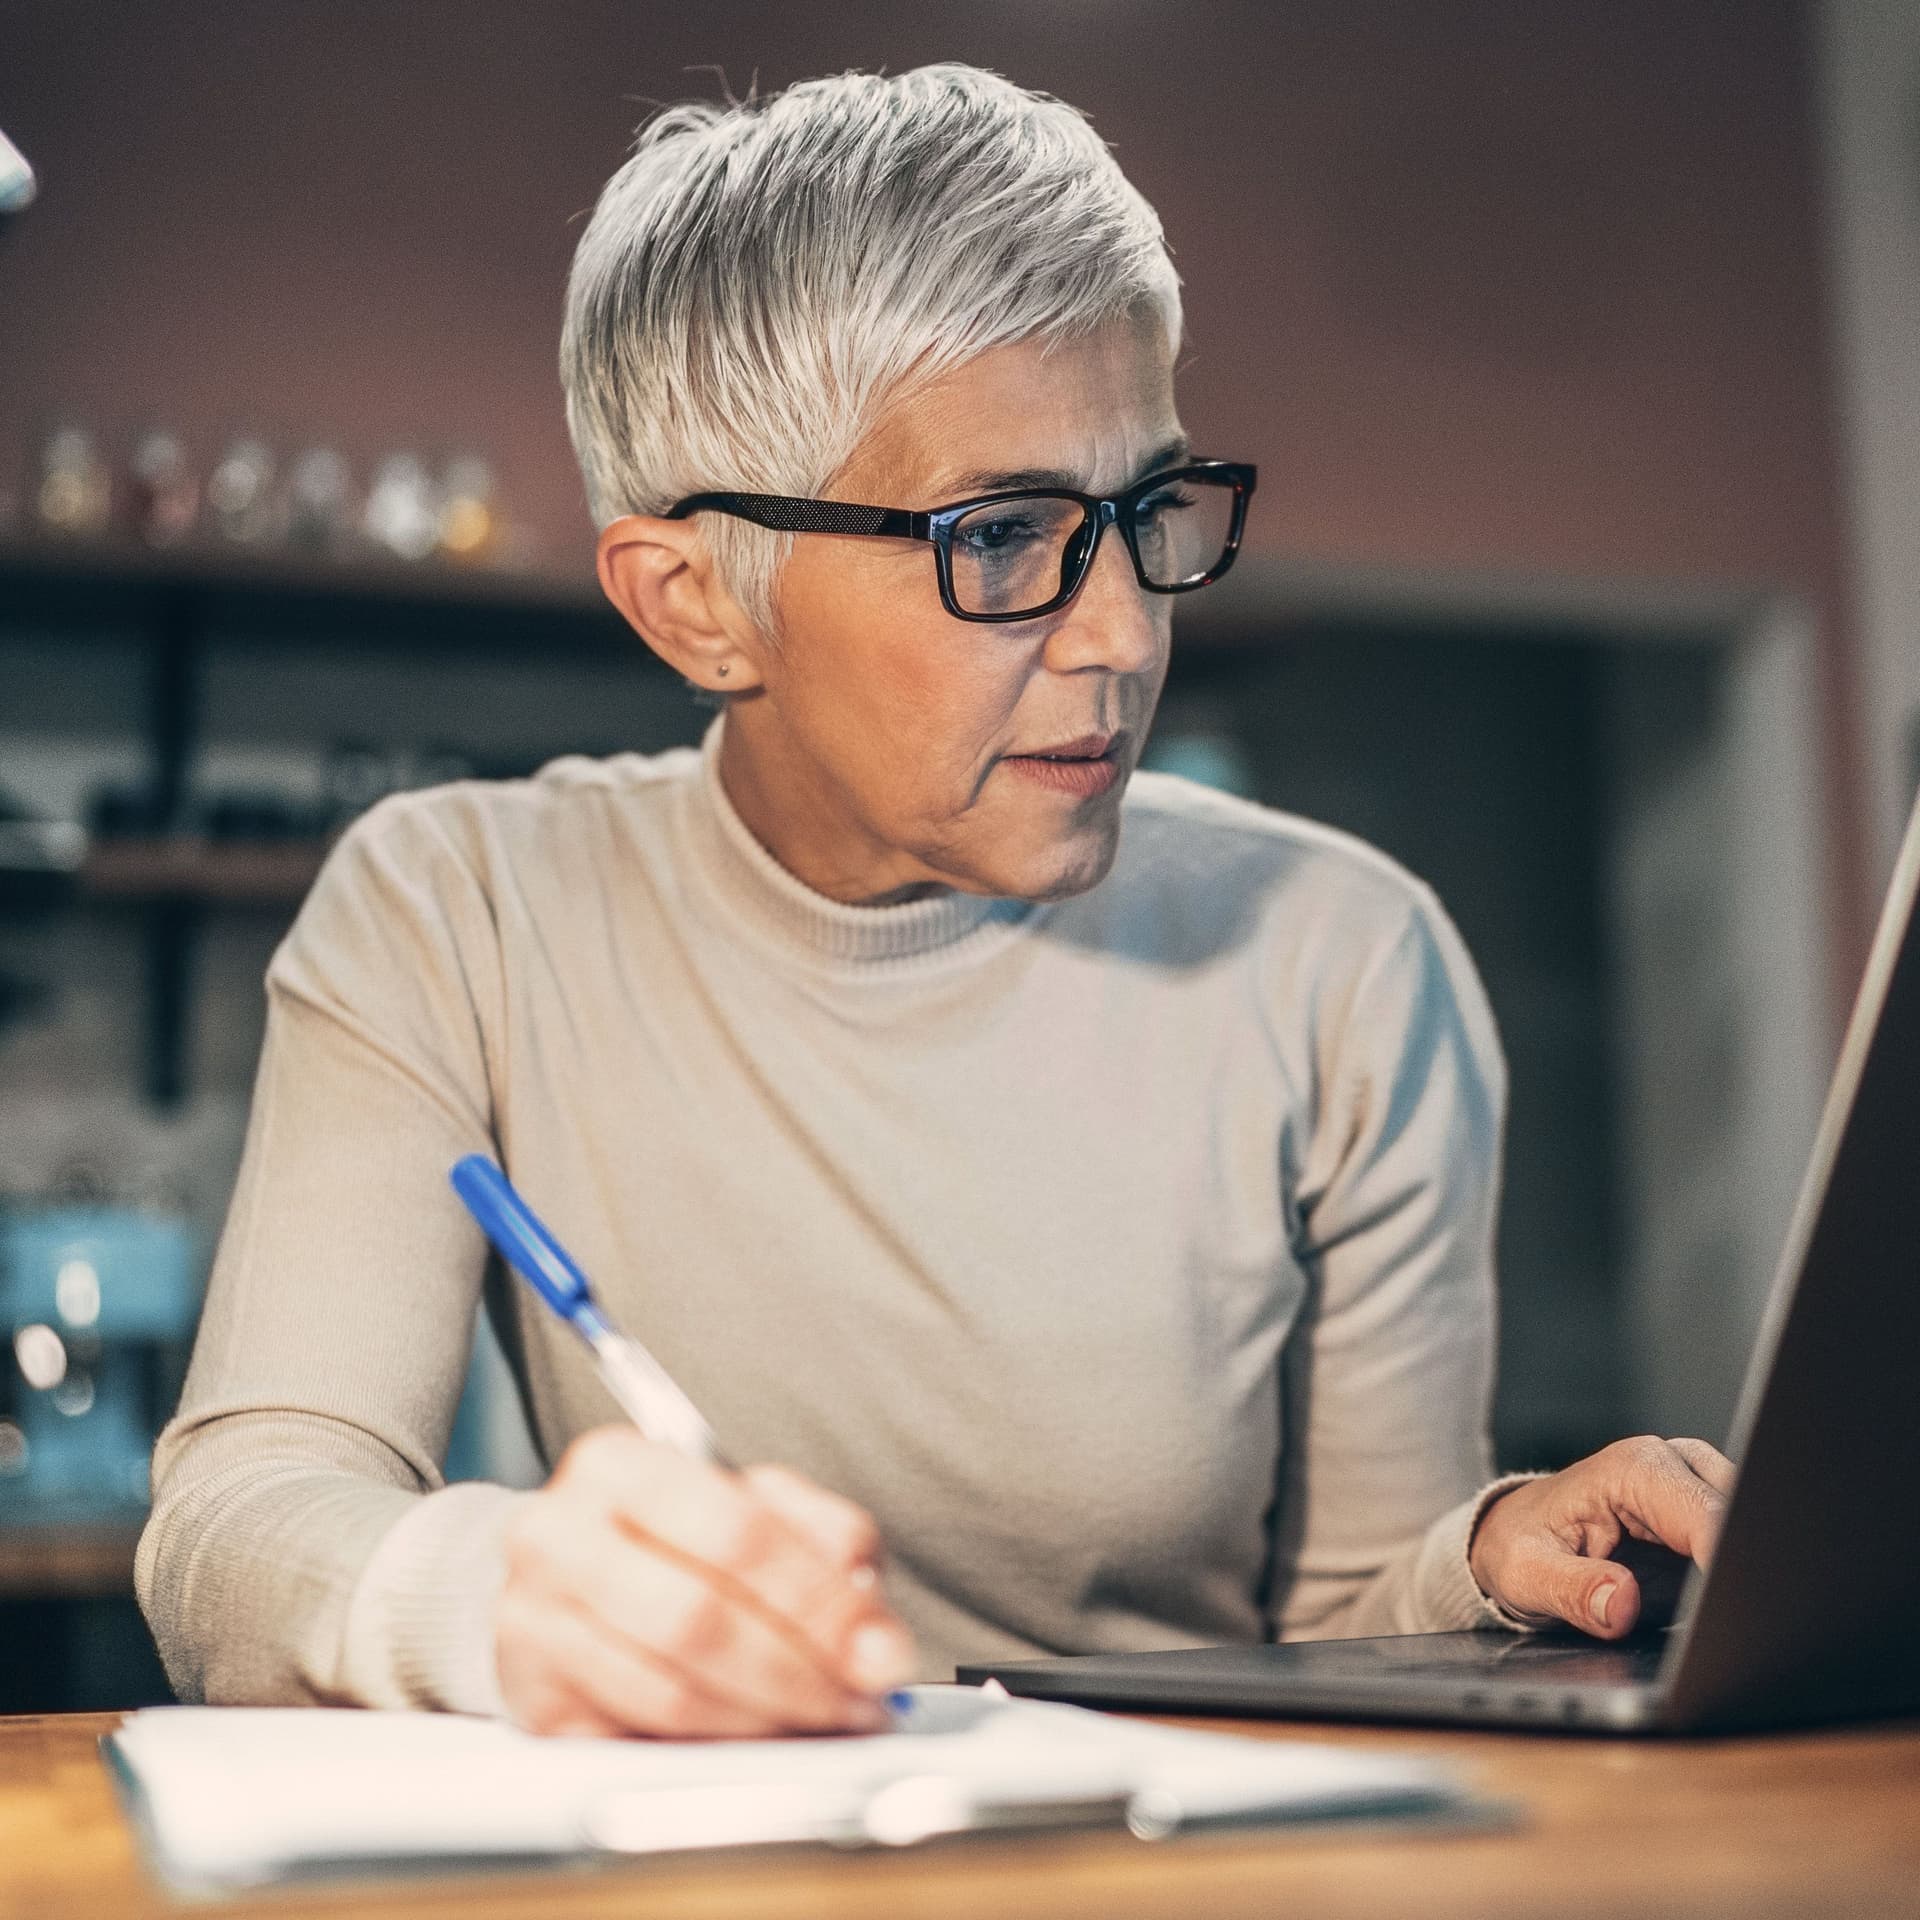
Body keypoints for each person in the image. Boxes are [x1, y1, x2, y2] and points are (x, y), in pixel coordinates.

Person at [138, 64, 1733, 1740]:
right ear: (695, 608)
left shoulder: (1345, 958)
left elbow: (1345, 1625)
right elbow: (238, 1527)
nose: (1123, 635)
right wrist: (496, 1596)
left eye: (1144, 514)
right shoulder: (451, 910)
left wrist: (1488, 1557)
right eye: (1004, 536)